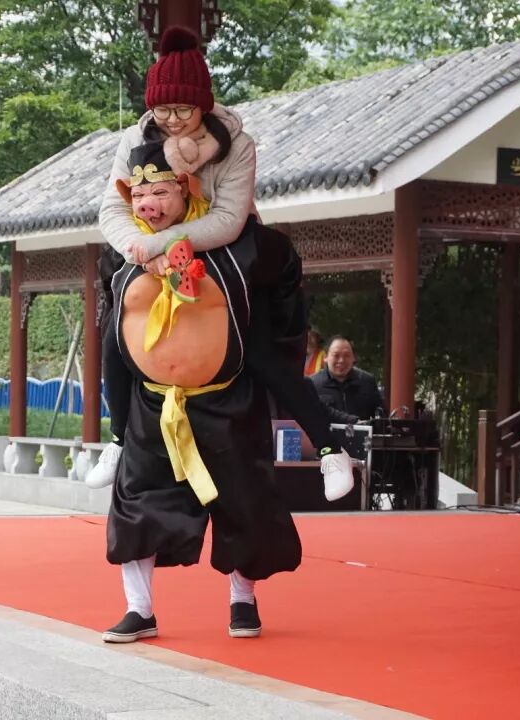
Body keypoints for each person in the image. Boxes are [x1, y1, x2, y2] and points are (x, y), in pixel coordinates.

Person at [99, 141, 347, 644]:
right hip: (154, 403)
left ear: (185, 188)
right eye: (139, 195)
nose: (148, 204)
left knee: (245, 504)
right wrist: (120, 424)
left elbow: (284, 281)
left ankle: (243, 597)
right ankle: (138, 609)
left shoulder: (240, 246)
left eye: (159, 192)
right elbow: (114, 332)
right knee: (136, 504)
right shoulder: (121, 254)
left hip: (226, 398)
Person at [87, 26, 352, 494]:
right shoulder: (133, 139)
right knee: (114, 332)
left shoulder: (237, 144)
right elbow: (113, 208)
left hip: (220, 245)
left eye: (182, 110)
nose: (171, 120)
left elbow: (228, 218)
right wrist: (139, 248)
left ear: (203, 105)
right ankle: (117, 439)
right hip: (148, 245)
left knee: (262, 351)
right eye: (163, 110)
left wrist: (166, 243)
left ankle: (332, 450)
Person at [310, 336, 385, 424]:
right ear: (325, 357)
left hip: (361, 432)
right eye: (336, 355)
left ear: (354, 358)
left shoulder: (367, 381)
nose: (341, 360)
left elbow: (381, 416)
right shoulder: (313, 384)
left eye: (346, 355)